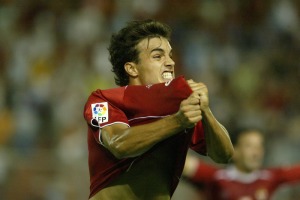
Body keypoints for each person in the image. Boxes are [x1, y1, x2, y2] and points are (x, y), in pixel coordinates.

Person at [83, 19, 234, 200]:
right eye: (158, 56)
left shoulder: (181, 104)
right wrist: (177, 122)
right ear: (132, 68)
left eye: (170, 55)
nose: (170, 62)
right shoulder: (101, 101)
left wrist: (205, 111)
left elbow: (224, 154)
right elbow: (118, 143)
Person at [183, 128, 300, 200]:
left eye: (259, 146)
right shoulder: (218, 177)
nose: (256, 152)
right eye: (249, 146)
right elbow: (185, 164)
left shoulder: (271, 177)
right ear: (235, 151)